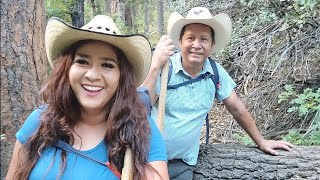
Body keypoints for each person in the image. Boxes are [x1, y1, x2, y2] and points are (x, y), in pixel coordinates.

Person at [6, 15, 169, 180]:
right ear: (67, 69)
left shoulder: (140, 131)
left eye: (107, 65)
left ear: (121, 77)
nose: (92, 75)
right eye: (83, 61)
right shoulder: (39, 122)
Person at [140, 7, 294, 179]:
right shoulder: (165, 68)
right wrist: (154, 66)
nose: (196, 45)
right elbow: (140, 107)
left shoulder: (215, 73)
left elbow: (237, 109)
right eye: (190, 38)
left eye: (204, 39)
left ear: (212, 45)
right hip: (150, 160)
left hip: (183, 163)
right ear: (180, 41)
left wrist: (261, 141)